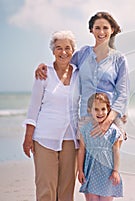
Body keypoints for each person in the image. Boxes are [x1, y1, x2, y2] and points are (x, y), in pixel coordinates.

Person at [35, 11, 130, 139]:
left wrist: (107, 122)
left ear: (112, 30)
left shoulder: (119, 59)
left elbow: (123, 93)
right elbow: (63, 64)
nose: (101, 32)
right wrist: (45, 66)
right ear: (91, 30)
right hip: (86, 119)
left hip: (110, 119)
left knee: (110, 159)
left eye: (105, 28)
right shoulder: (82, 54)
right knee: (83, 159)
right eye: (97, 28)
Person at [22, 30, 80, 201]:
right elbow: (34, 107)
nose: (63, 52)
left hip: (71, 138)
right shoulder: (44, 73)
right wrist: (28, 137)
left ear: (73, 50)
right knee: (46, 189)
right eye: (59, 48)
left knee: (66, 190)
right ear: (53, 51)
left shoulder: (79, 73)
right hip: (44, 138)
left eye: (67, 48)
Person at [77, 92, 123, 201]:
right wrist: (80, 170)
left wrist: (115, 171)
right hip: (91, 173)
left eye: (103, 109)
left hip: (107, 174)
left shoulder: (113, 131)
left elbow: (116, 152)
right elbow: (81, 150)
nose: (100, 112)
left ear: (108, 110)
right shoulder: (85, 130)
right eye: (96, 109)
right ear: (89, 110)